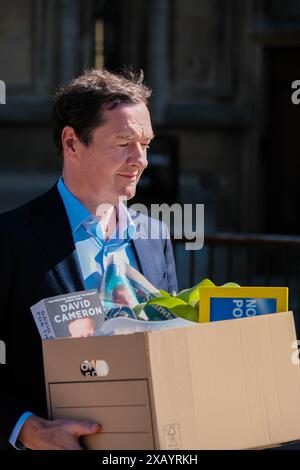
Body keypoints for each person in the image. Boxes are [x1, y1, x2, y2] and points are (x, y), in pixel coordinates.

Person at [0, 68, 178, 450]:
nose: (140, 159)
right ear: (71, 142)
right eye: (123, 142)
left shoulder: (154, 237)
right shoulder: (11, 238)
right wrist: (28, 429)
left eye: (146, 143)